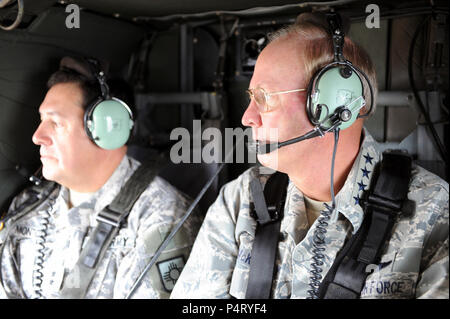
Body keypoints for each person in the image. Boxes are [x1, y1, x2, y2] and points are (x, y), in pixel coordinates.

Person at [171, 13, 449, 299]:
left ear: (333, 104)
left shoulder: (435, 214)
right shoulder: (241, 199)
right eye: (251, 98)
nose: (247, 117)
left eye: (264, 97)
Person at [0, 56, 200, 299]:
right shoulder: (28, 206)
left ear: (108, 128)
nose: (37, 136)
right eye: (42, 121)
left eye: (55, 123)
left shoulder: (161, 219)